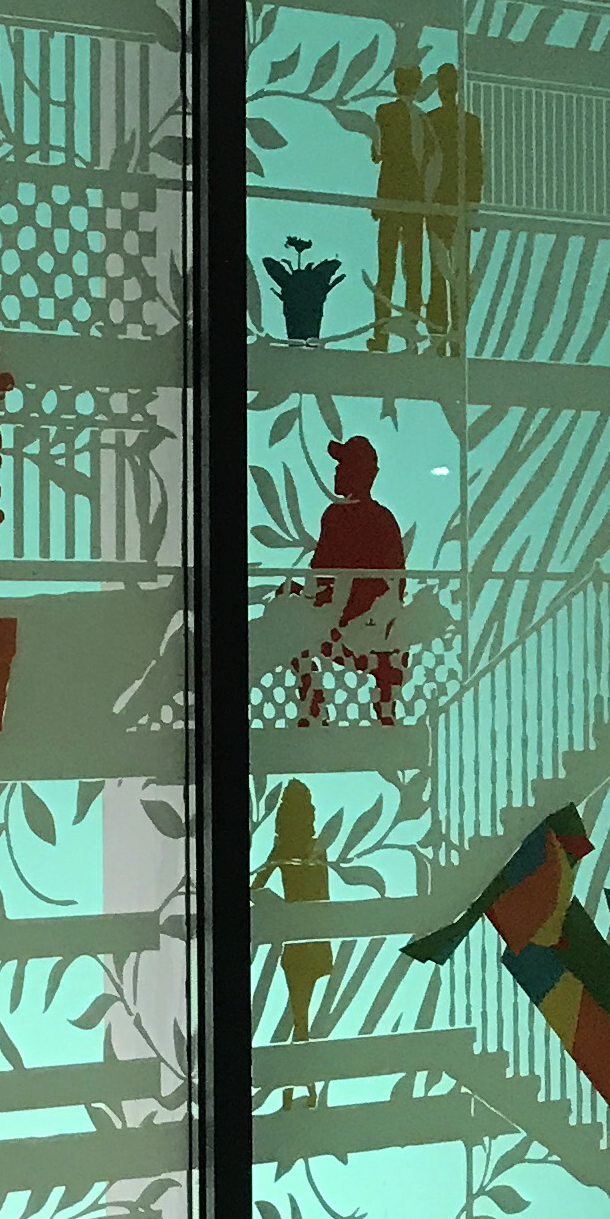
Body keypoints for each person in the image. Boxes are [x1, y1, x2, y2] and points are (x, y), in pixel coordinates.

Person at [300, 433, 407, 728]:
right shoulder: (378, 518)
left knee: (291, 620)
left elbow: (321, 574)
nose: (336, 472)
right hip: (359, 617)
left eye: (342, 466)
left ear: (357, 473)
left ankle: (314, 705)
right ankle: (314, 705)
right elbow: (396, 581)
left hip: (350, 619)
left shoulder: (342, 517)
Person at [252, 779, 333, 1078]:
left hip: (302, 941)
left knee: (301, 1015)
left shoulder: (289, 848)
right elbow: (322, 895)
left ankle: (299, 1076)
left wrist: (279, 907)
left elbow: (256, 886)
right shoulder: (309, 848)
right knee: (301, 1016)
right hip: (312, 939)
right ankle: (301, 1076)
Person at [367, 55, 428, 352]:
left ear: (396, 84)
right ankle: (411, 335)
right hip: (415, 199)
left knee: (386, 268)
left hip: (391, 198)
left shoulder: (384, 112)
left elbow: (376, 153)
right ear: (417, 86)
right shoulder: (423, 119)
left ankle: (381, 334)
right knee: (413, 269)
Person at [422, 61, 482, 348]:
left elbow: (475, 164)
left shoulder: (435, 120)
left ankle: (446, 333)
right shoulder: (466, 122)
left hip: (444, 202)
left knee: (444, 270)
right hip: (449, 202)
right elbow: (476, 165)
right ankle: (450, 332)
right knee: (451, 269)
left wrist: (473, 204)